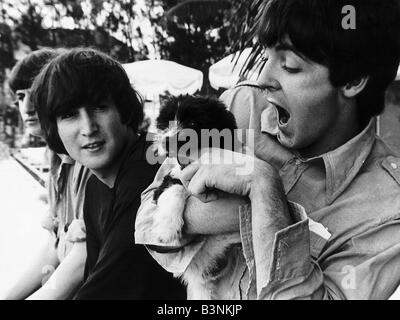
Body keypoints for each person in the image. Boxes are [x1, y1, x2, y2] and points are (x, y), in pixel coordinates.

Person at [136, 0, 400, 299]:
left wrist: (263, 188)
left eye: (289, 66)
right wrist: (233, 214)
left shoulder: (388, 210)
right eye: (265, 57)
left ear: (353, 80)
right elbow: (147, 218)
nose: (263, 80)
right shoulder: (237, 107)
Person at [31, 48, 185, 299]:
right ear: (54, 128)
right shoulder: (95, 186)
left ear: (123, 109)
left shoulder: (152, 165)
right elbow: (95, 276)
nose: (88, 128)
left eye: (99, 107)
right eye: (69, 115)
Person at [3, 48, 91, 300]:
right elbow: (57, 245)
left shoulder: (91, 156)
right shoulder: (53, 157)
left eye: (37, 93)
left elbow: (81, 259)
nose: (27, 106)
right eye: (20, 96)